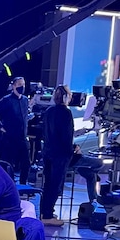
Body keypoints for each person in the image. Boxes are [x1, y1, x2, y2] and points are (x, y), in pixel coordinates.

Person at [40, 85, 74, 225]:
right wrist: (72, 151)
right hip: (60, 155)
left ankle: (44, 212)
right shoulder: (66, 113)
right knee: (55, 185)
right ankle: (48, 216)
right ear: (66, 97)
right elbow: (66, 136)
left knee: (47, 184)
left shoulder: (49, 110)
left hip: (48, 152)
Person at [0, 77, 32, 184]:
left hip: (22, 137)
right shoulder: (6, 100)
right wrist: (0, 127)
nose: (22, 87)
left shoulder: (25, 100)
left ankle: (23, 184)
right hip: (10, 138)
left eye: (24, 84)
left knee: (26, 163)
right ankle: (8, 185)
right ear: (13, 86)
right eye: (19, 85)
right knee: (7, 163)